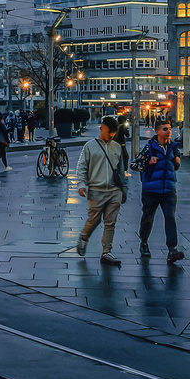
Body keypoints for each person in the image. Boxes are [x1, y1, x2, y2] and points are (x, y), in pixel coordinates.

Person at [75, 114, 130, 266]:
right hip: (96, 190)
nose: (110, 136)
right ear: (101, 129)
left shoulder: (117, 147)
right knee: (94, 219)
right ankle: (84, 237)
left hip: (114, 191)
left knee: (110, 222)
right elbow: (82, 167)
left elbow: (121, 170)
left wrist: (124, 189)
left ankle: (107, 252)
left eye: (113, 134)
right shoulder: (90, 146)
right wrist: (81, 184)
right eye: (108, 133)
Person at [134, 118, 184, 262]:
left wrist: (177, 162)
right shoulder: (149, 147)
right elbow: (135, 164)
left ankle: (172, 249)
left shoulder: (174, 147)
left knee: (170, 218)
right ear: (157, 131)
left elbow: (175, 165)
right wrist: (148, 163)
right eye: (165, 129)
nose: (168, 132)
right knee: (148, 218)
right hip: (151, 190)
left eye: (169, 129)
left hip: (168, 189)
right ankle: (143, 242)